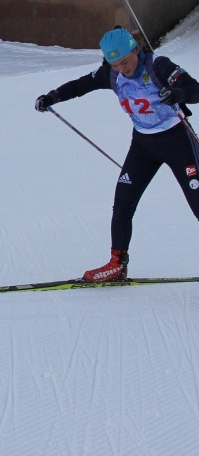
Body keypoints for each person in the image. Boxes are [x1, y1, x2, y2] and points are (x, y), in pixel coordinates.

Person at [35, 26, 199, 282]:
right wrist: (53, 96)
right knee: (123, 203)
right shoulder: (110, 73)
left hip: (178, 141)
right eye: (115, 64)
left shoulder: (159, 66)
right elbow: (82, 84)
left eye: (125, 61)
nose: (122, 68)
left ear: (136, 50)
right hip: (143, 145)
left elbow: (195, 89)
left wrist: (177, 93)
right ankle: (117, 264)